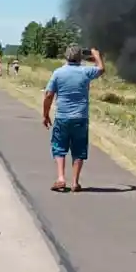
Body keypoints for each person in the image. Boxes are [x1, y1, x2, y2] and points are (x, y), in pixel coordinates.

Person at [42, 45, 104, 192]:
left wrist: (45, 114)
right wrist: (96, 55)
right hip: (80, 117)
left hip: (62, 116)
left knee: (59, 147)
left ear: (66, 57)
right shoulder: (85, 72)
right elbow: (101, 69)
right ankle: (75, 182)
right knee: (79, 149)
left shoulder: (58, 73)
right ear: (80, 58)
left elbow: (49, 95)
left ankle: (61, 178)